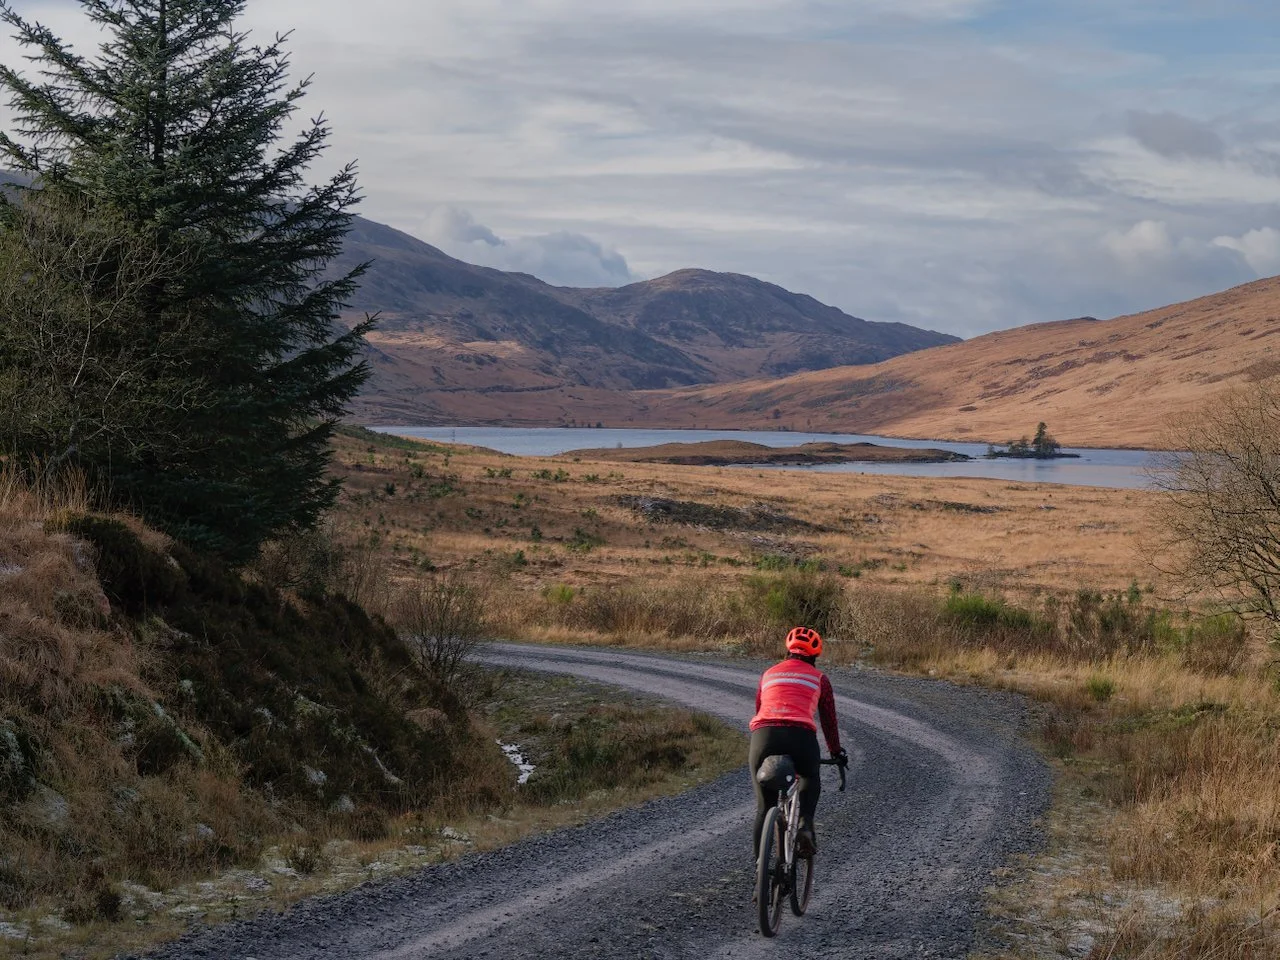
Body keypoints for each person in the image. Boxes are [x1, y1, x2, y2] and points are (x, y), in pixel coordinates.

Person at [749, 625, 847, 859]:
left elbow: (759, 709)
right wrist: (836, 752)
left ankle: (758, 877)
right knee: (810, 777)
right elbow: (829, 722)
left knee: (764, 808)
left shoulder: (769, 673)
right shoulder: (820, 679)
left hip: (764, 735)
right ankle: (805, 825)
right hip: (800, 736)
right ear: (815, 655)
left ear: (788, 651)